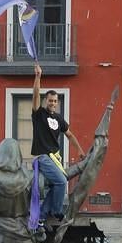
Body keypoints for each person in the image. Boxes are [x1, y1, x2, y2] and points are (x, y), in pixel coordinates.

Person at [31, 62, 84, 230]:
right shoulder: (39, 114)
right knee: (61, 182)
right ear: (46, 101)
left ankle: (41, 216)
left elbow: (70, 135)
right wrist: (38, 77)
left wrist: (80, 150)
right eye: (50, 100)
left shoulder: (59, 119)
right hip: (43, 156)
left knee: (57, 185)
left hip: (55, 158)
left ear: (57, 102)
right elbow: (35, 94)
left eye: (55, 101)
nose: (52, 103)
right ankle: (56, 210)